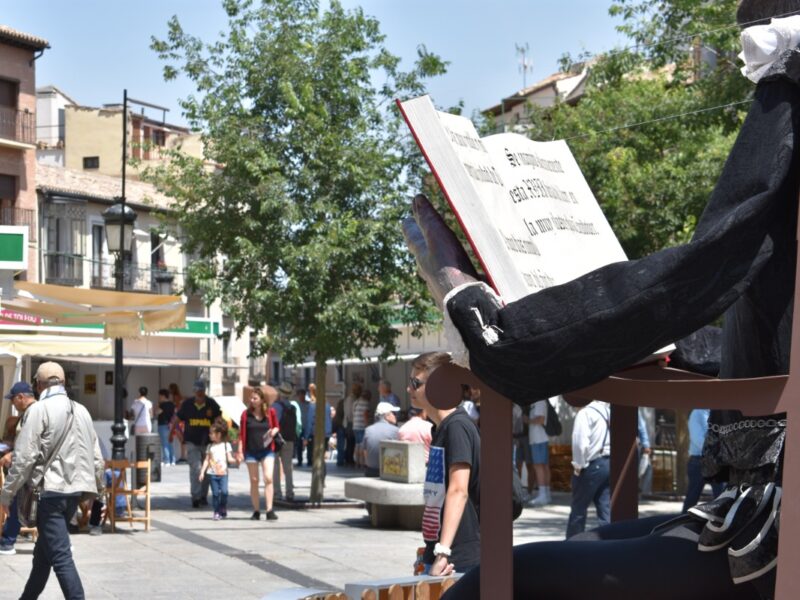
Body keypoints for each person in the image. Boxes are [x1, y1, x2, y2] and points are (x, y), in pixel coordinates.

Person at [402, 3, 791, 596]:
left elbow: (715, 261)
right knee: (578, 546)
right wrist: (661, 348)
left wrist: (502, 329)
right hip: (753, 511)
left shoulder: (792, 86)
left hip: (775, 534)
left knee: (490, 586)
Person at [0, 362, 104, 600]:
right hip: (74, 493)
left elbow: (24, 458)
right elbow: (97, 457)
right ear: (63, 382)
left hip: (50, 493)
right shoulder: (82, 410)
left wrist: (6, 494)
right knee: (43, 555)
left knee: (60, 557)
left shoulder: (38, 410)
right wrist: (97, 490)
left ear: (38, 385)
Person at [409, 352, 480, 576]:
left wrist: (442, 553)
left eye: (415, 383)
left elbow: (458, 490)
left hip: (458, 559)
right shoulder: (441, 428)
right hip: (443, 554)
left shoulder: (457, 426)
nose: (409, 389)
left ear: (438, 385)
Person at [0, 381, 37, 555]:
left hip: (29, 468)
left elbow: (31, 444)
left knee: (15, 500)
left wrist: (13, 455)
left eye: (13, 399)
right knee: (19, 502)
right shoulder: (29, 413)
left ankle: (7, 541)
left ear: (21, 397)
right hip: (29, 467)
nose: (13, 404)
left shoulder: (33, 413)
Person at [566, 401, 611, 538]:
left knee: (578, 509)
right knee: (605, 509)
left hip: (592, 464)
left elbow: (580, 443)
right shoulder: (607, 411)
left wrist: (578, 465)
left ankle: (573, 543)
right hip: (608, 462)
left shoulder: (585, 413)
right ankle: (609, 541)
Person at [176, 379, 222, 508]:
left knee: (206, 470)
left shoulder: (211, 403)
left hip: (208, 442)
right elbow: (177, 419)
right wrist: (174, 433)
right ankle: (195, 497)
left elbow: (219, 420)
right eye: (197, 391)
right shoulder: (187, 404)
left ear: (204, 391)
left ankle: (203, 496)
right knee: (196, 469)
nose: (199, 393)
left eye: (201, 391)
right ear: (194, 392)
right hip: (192, 441)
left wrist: (220, 435)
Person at [237, 387, 279, 521]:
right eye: (251, 398)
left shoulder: (270, 412)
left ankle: (269, 510)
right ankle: (256, 511)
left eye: (255, 398)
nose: (252, 400)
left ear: (262, 400)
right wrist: (240, 451)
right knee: (254, 480)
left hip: (267, 450)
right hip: (251, 451)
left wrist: (274, 431)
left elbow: (277, 426)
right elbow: (241, 434)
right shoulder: (245, 414)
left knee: (268, 478)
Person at [683, 408, 726, 512]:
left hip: (717, 459)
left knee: (722, 497)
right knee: (692, 497)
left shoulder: (718, 412)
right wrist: (716, 450)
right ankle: (683, 519)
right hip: (699, 461)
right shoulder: (697, 413)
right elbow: (697, 439)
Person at [199, 419, 237, 521]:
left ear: (219, 434)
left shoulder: (226, 445)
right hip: (212, 474)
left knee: (224, 492)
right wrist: (202, 472)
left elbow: (230, 458)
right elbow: (206, 460)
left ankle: (223, 506)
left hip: (223, 474)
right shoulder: (210, 446)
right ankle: (216, 511)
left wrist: (237, 460)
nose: (210, 435)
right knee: (215, 494)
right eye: (210, 433)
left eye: (212, 433)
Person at [524, 399, 552, 507]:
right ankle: (546, 493)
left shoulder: (539, 402)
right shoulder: (538, 402)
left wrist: (528, 420)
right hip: (539, 439)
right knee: (543, 466)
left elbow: (541, 419)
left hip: (538, 439)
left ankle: (543, 494)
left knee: (539, 466)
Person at [272, 381, 297, 502]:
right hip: (289, 439)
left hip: (277, 439)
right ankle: (290, 492)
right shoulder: (292, 408)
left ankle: (277, 493)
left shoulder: (275, 406)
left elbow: (272, 424)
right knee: (288, 467)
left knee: (275, 467)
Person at [362, 401, 400, 477]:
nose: (396, 416)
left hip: (370, 471)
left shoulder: (368, 430)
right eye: (394, 413)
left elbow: (365, 452)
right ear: (387, 416)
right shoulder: (395, 430)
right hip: (388, 472)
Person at [168, 383, 187, 464]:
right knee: (182, 439)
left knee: (182, 439)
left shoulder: (176, 397)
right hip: (180, 420)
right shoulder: (178, 396)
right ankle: (183, 456)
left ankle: (183, 456)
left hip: (178, 421)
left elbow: (178, 408)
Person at [156, 388, 176, 466]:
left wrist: (158, 405)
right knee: (170, 442)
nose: (159, 397)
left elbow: (157, 412)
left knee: (164, 443)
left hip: (162, 424)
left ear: (163, 396)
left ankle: (166, 460)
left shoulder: (162, 405)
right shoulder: (172, 404)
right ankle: (172, 460)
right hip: (170, 425)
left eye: (160, 396)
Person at [352, 389, 371, 468]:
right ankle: (362, 462)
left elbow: (353, 413)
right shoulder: (366, 403)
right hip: (361, 426)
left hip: (355, 425)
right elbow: (365, 414)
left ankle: (357, 462)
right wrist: (367, 426)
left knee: (357, 444)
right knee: (362, 445)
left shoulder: (356, 402)